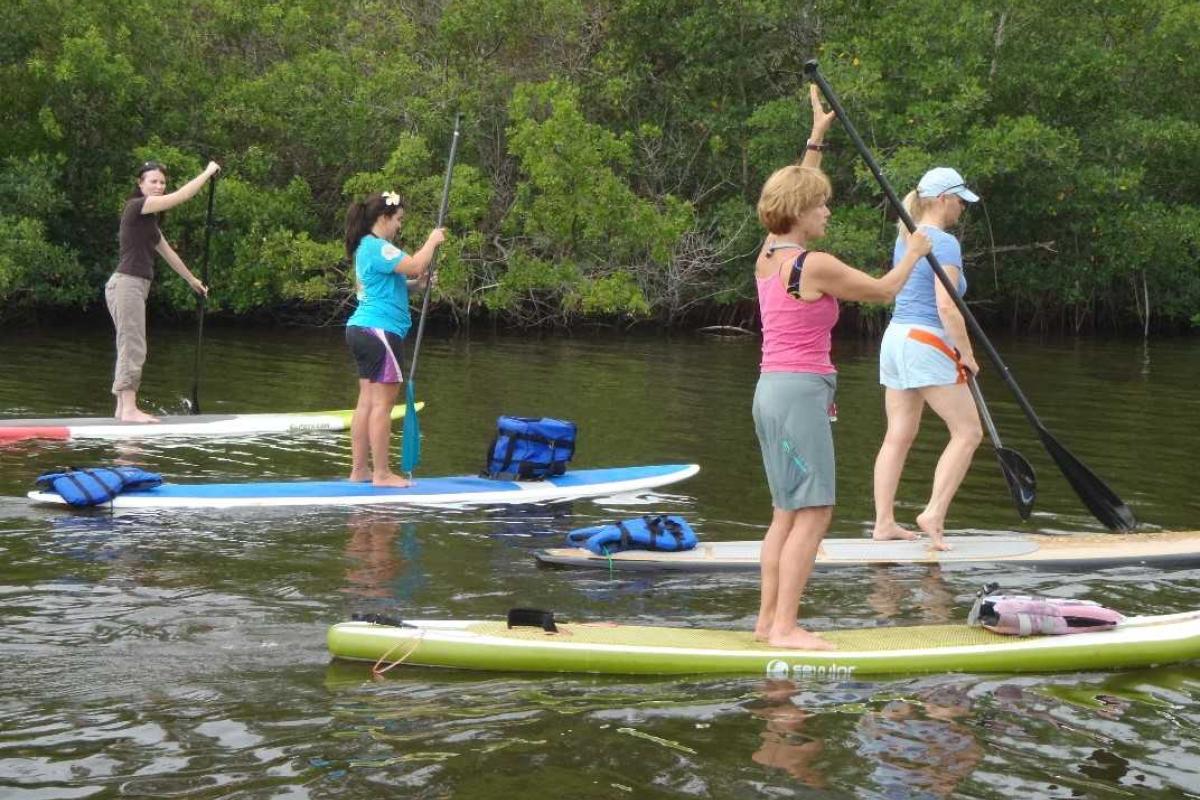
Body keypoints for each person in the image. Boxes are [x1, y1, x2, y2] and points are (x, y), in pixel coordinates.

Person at [752, 85, 933, 650]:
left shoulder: (768, 253)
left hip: (770, 393)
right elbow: (881, 292)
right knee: (815, 511)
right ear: (802, 214)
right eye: (822, 204)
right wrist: (915, 252)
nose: (827, 210)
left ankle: (766, 624)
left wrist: (817, 138)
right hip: (799, 394)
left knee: (787, 512)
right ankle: (784, 627)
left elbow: (793, 191)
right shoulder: (816, 263)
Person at [871, 168, 984, 551]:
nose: (961, 209)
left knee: (898, 434)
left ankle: (883, 523)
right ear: (942, 200)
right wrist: (966, 354)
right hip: (926, 340)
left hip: (896, 340)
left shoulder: (906, 237)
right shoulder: (944, 243)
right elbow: (946, 305)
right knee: (969, 432)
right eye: (958, 201)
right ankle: (933, 513)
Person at [343, 191, 446, 487]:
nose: (400, 225)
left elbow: (392, 284)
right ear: (383, 218)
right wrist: (432, 241)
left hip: (361, 330)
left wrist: (418, 285)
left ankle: (360, 471)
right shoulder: (377, 247)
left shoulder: (366, 248)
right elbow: (415, 263)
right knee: (382, 406)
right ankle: (382, 474)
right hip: (380, 332)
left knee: (366, 403)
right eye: (398, 219)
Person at [106, 159, 220, 422]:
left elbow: (169, 254)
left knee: (130, 344)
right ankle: (130, 409)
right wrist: (207, 172)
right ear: (140, 184)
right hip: (127, 283)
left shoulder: (148, 222)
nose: (158, 186)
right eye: (153, 181)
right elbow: (181, 196)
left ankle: (123, 409)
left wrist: (192, 280)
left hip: (131, 285)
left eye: (162, 182)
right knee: (133, 345)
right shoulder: (137, 206)